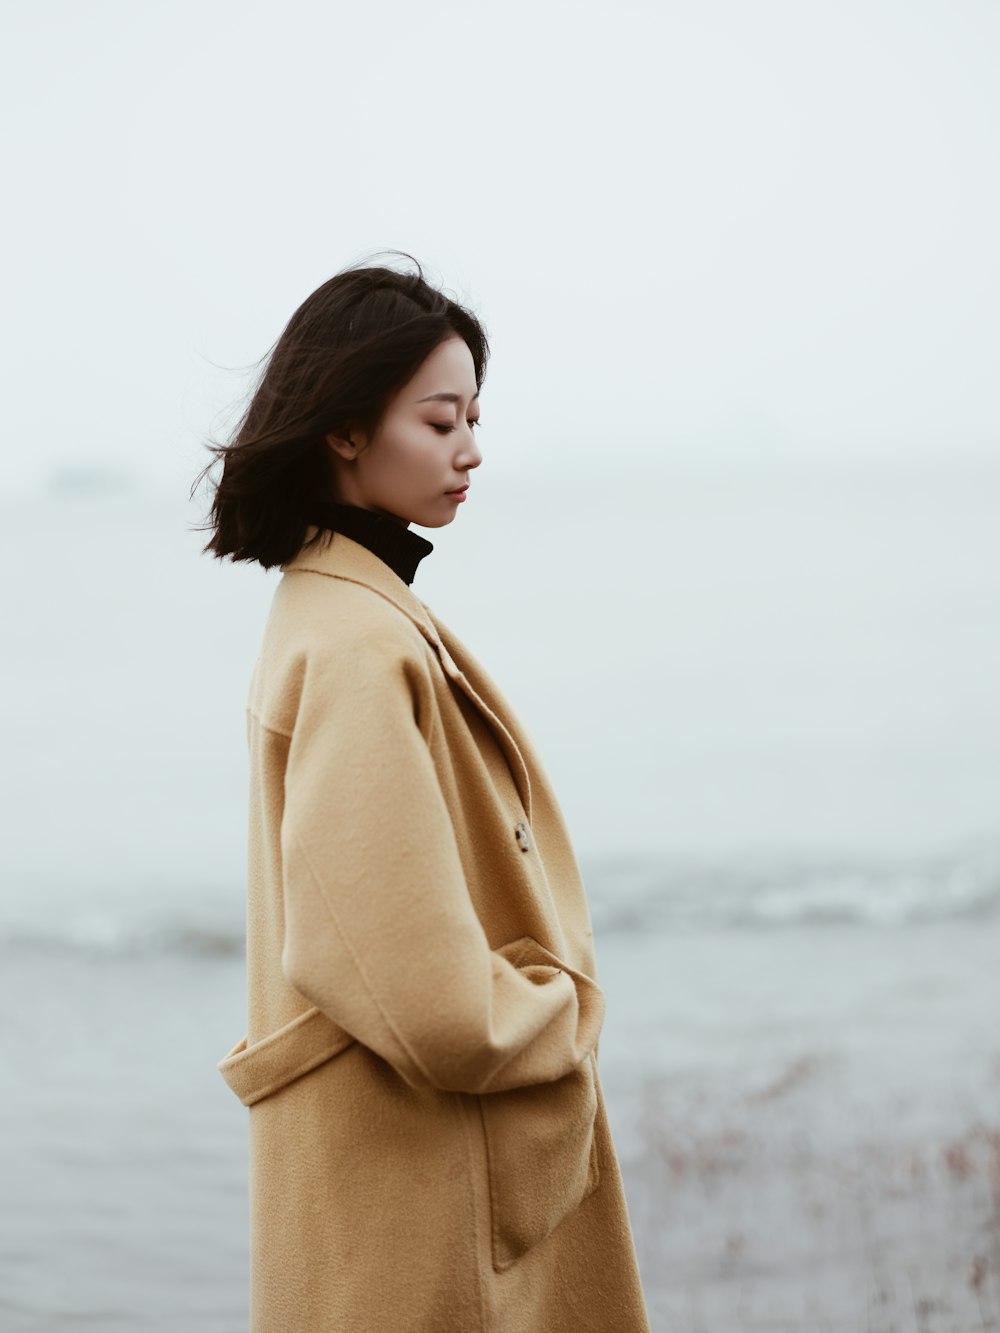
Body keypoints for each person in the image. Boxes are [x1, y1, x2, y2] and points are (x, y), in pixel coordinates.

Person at [197, 255, 650, 1332]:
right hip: (419, 1174)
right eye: (440, 420)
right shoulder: (356, 640)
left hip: (392, 1158)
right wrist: (560, 1012)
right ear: (345, 431)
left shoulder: (336, 609)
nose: (470, 450)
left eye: (473, 418)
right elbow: (417, 987)